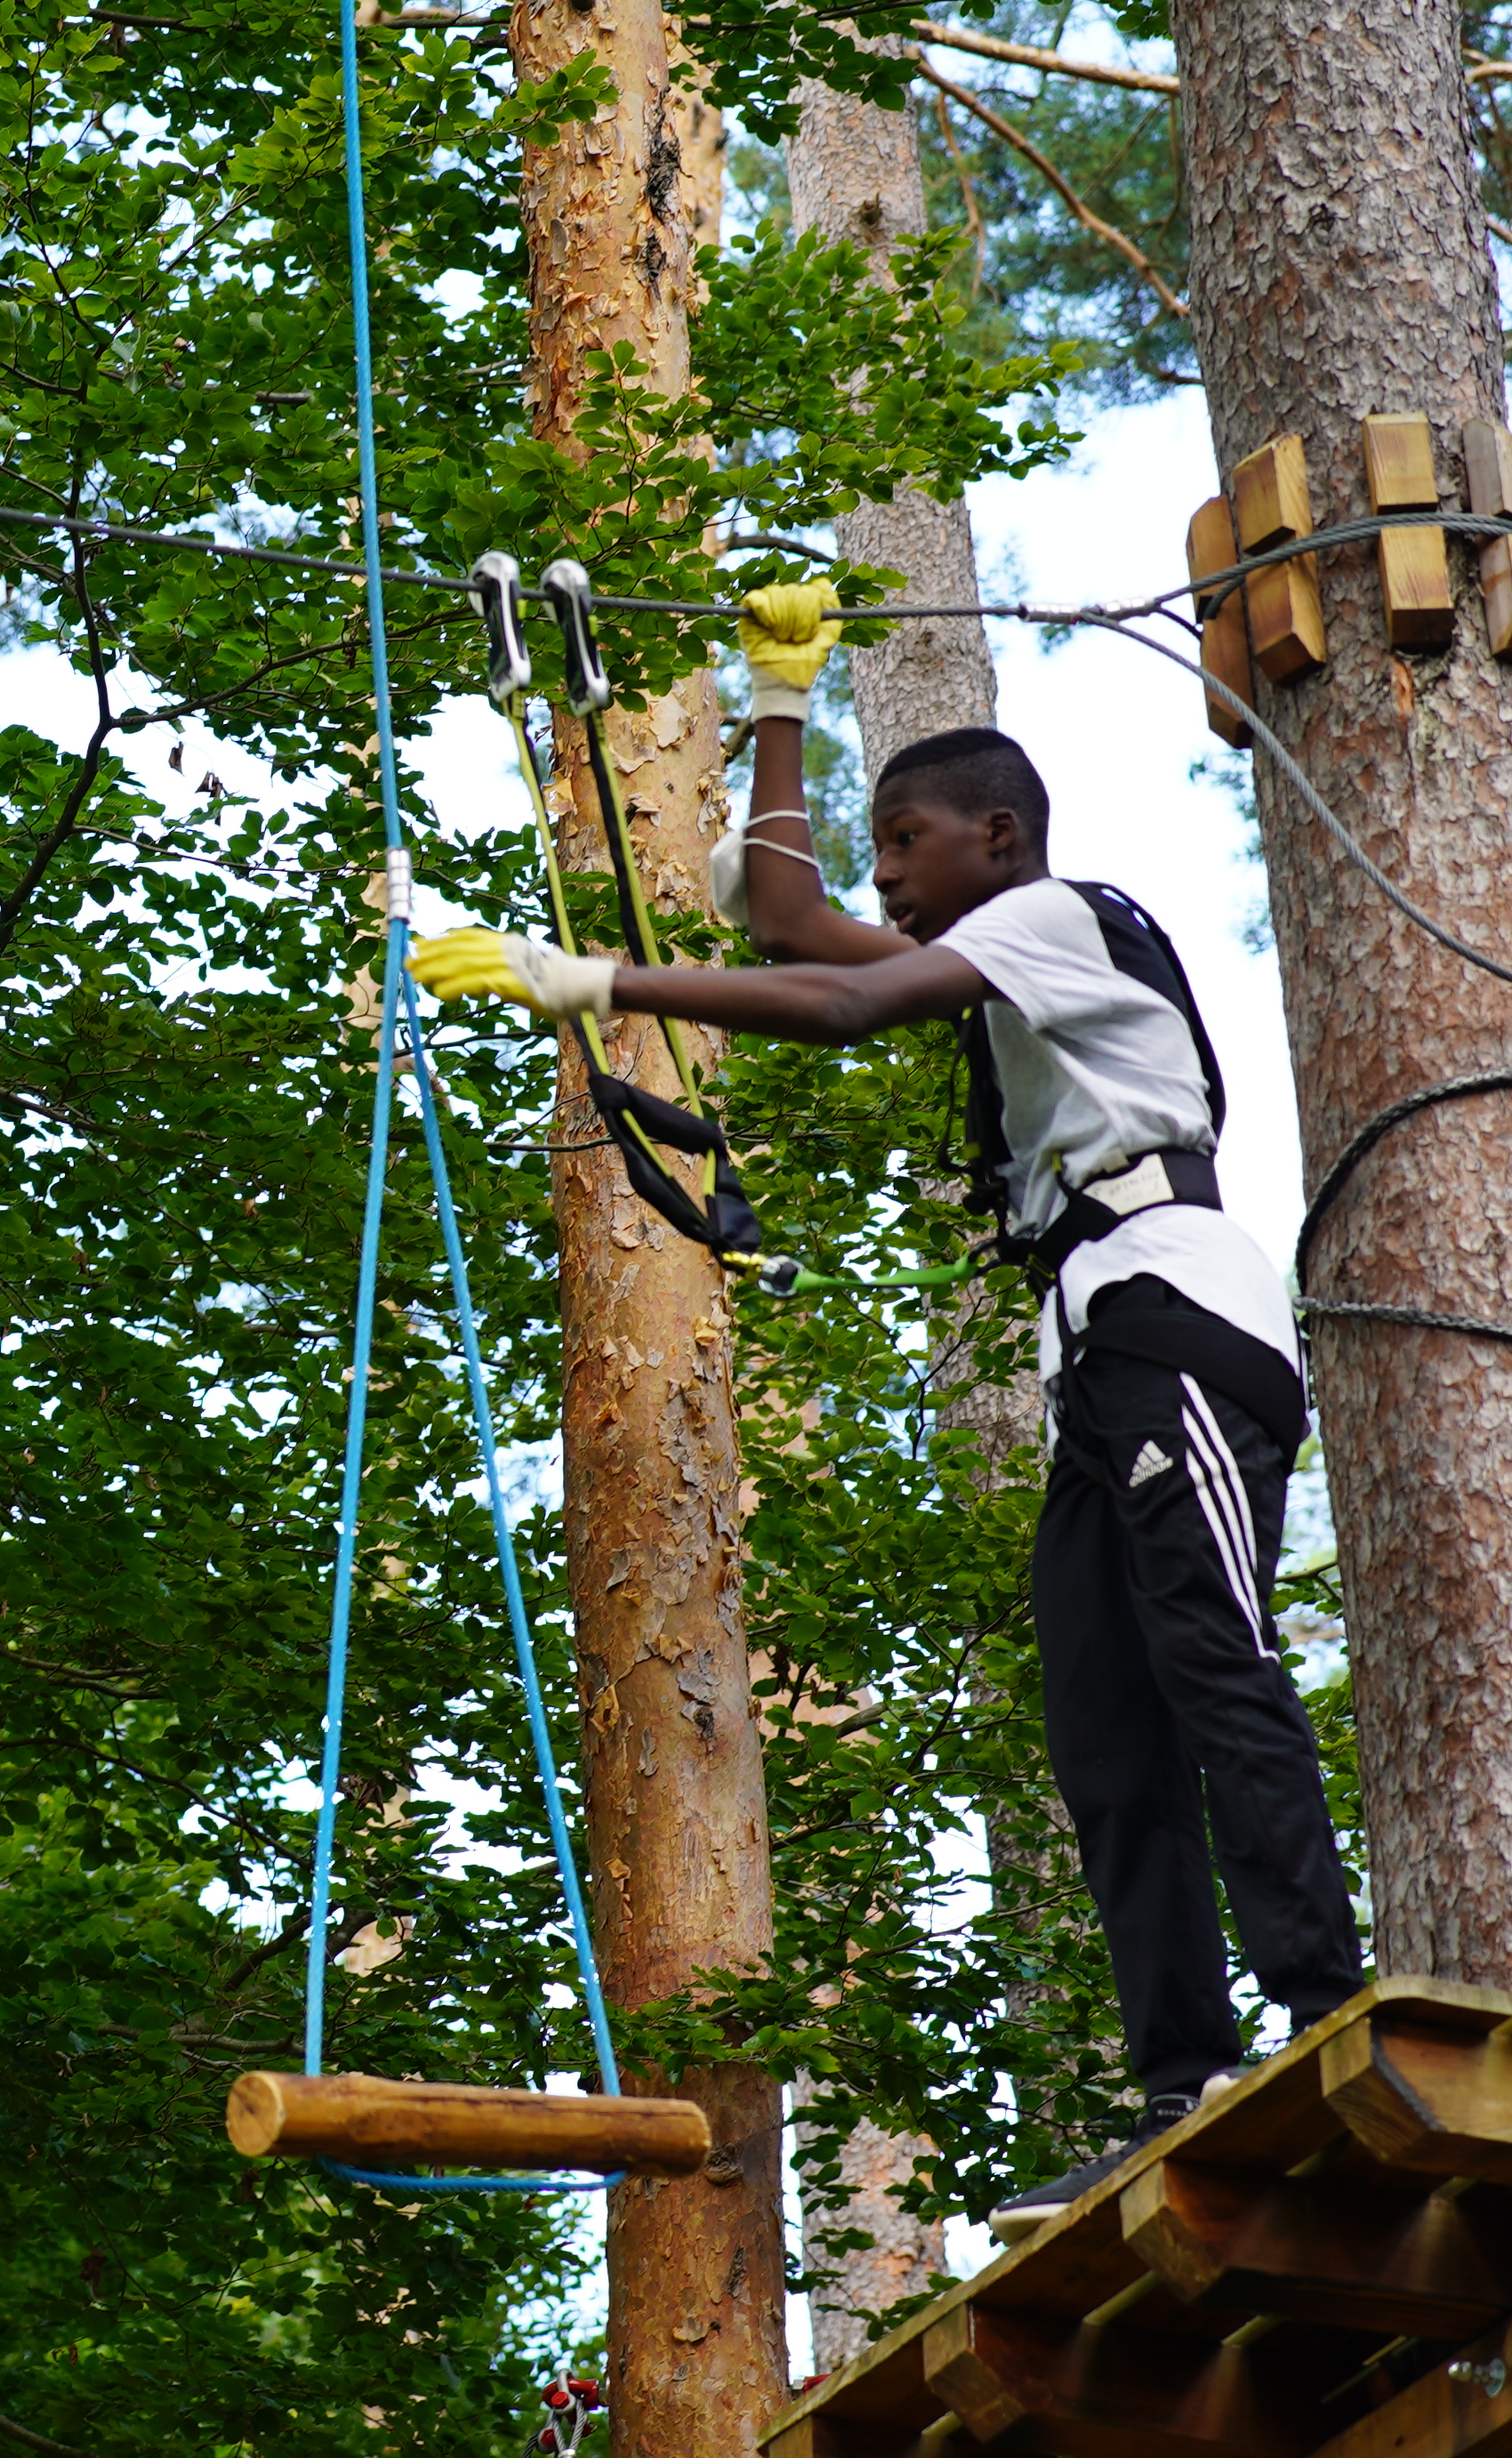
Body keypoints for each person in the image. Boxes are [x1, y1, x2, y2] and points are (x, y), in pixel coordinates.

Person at [411, 584, 1365, 2232]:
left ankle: (1325, 2006)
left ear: (998, 837)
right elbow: (793, 925)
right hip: (1100, 1344)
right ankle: (1185, 2079)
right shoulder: (1001, 945)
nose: (883, 875)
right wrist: (779, 695)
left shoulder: (1070, 915)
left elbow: (843, 994)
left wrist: (602, 983)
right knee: (1106, 1732)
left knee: (1210, 1660)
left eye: (906, 840)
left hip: (1176, 1306)